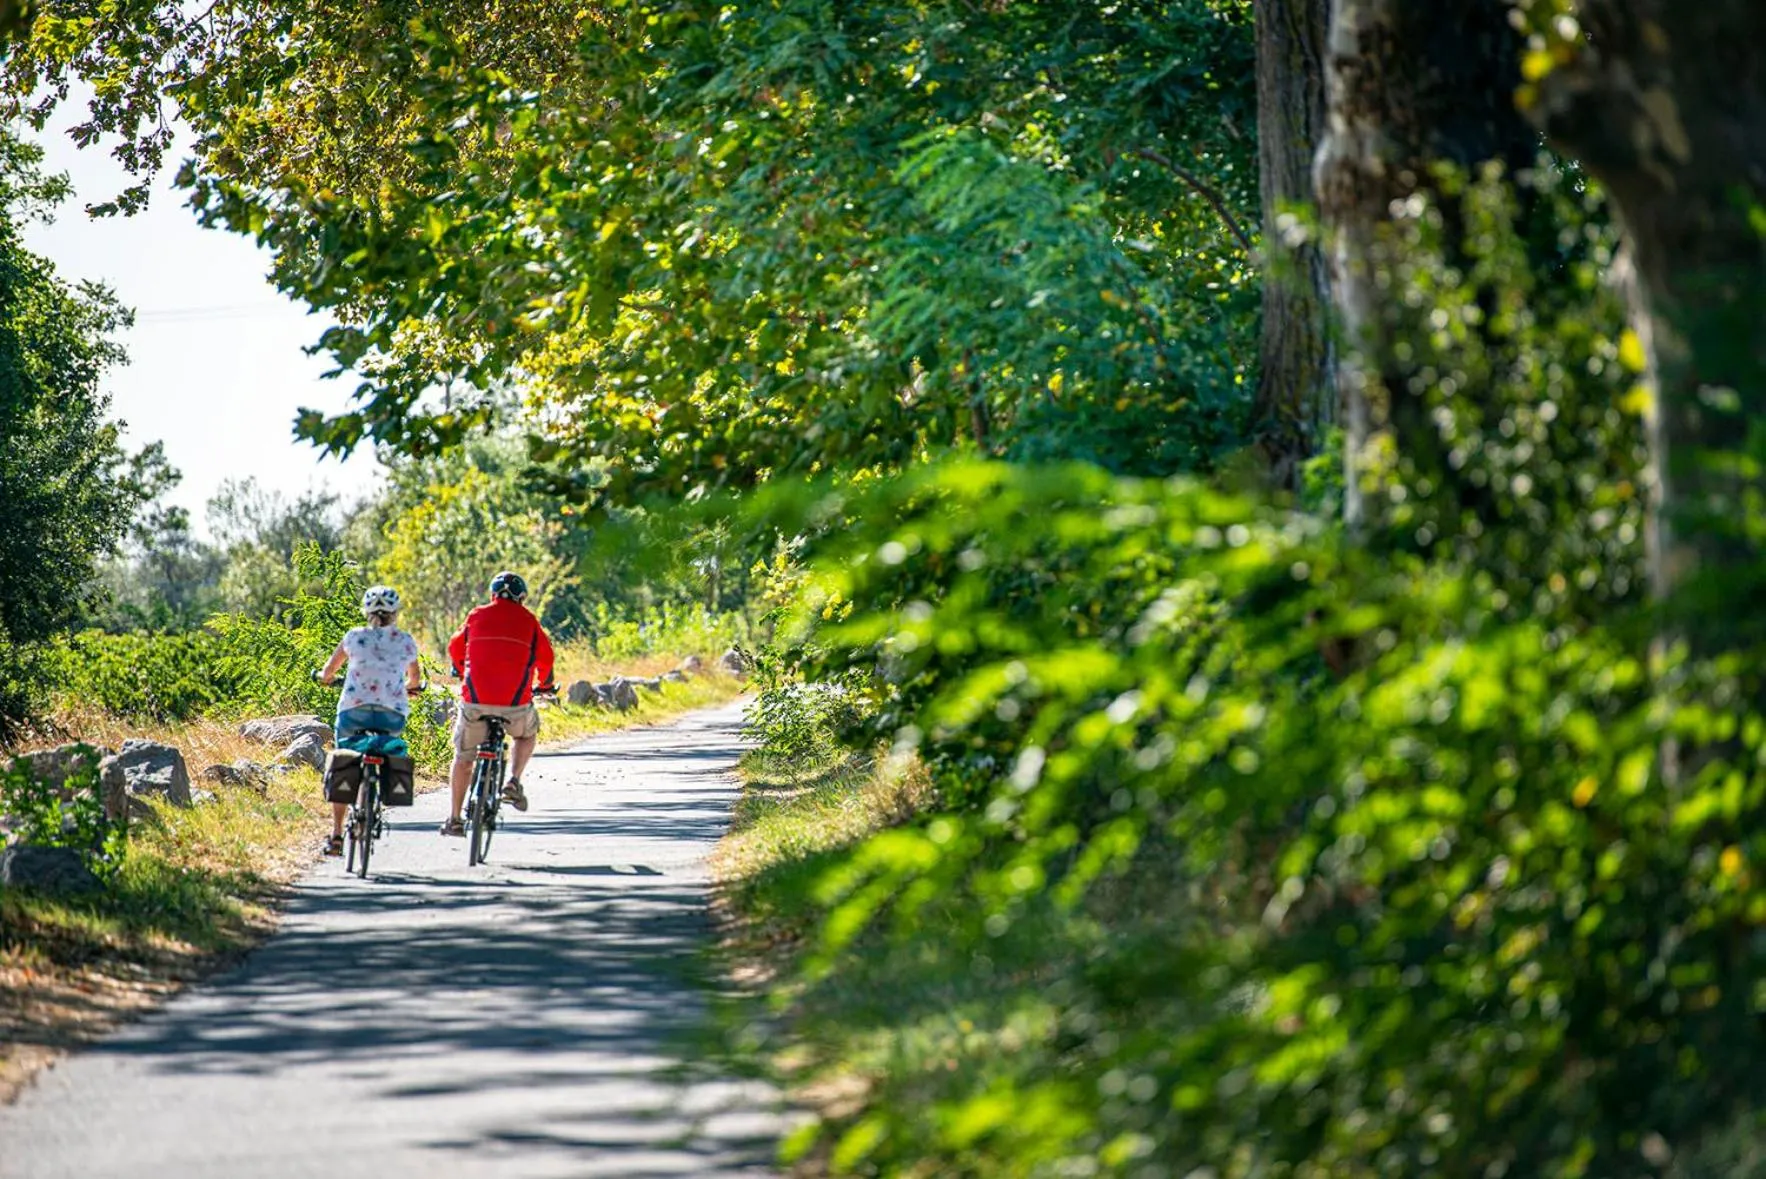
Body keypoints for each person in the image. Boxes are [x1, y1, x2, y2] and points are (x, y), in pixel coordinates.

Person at [442, 570, 557, 837]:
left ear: (493, 594)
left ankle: (455, 818)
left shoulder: (477, 615)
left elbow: (455, 647)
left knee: (463, 758)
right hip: (515, 706)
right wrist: (547, 686)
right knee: (527, 735)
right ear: (521, 598)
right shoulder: (529, 621)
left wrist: (461, 670)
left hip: (475, 704)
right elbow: (546, 659)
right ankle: (513, 781)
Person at [314, 585, 423, 856]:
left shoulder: (353, 637)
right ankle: (384, 782)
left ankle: (337, 835)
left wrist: (325, 678)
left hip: (354, 711)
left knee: (345, 759)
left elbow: (329, 671)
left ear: (367, 611)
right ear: (395, 613)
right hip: (392, 715)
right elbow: (415, 680)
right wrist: (410, 687)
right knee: (388, 744)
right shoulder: (405, 640)